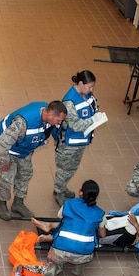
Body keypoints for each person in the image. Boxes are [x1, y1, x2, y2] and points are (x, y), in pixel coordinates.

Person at [0, 101, 67, 221]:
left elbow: (53, 133)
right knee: (7, 175)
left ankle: (18, 203)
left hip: (22, 148)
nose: (60, 123)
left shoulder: (49, 116)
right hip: (5, 146)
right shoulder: (22, 123)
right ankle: (1, 203)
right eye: (59, 120)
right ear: (51, 115)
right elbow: (3, 144)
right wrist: (4, 162)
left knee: (26, 172)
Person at [32, 179, 105, 276]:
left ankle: (53, 268)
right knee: (82, 251)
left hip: (59, 251)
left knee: (60, 253)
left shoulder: (68, 204)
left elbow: (62, 220)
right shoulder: (100, 213)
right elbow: (102, 234)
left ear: (81, 192)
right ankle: (78, 268)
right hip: (84, 256)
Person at [54, 70, 106, 206]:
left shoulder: (86, 94)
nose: (91, 89)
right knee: (64, 168)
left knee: (72, 167)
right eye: (89, 86)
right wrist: (93, 120)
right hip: (69, 143)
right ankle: (58, 191)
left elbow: (92, 107)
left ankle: (63, 187)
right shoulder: (69, 101)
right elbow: (75, 125)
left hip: (80, 141)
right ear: (81, 83)